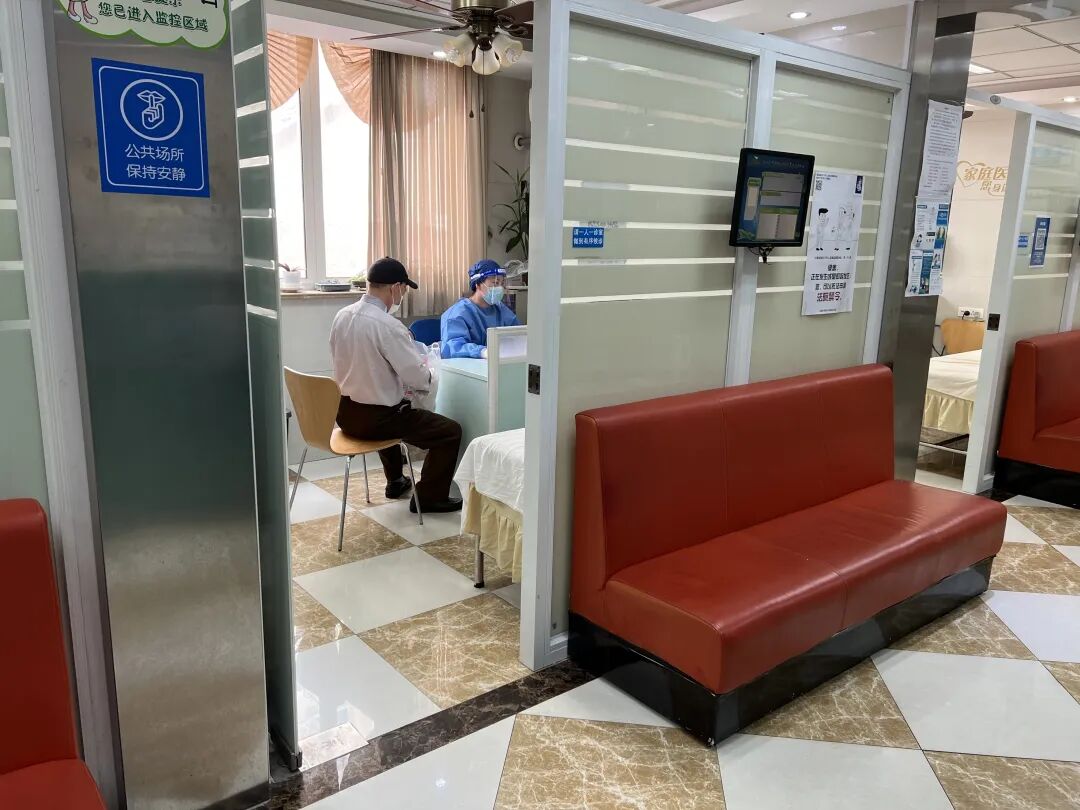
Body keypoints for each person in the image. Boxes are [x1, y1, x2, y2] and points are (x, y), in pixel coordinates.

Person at [330, 258, 463, 513]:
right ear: (395, 288)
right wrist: (431, 374)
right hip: (378, 422)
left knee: (389, 402)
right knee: (449, 431)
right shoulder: (388, 326)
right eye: (404, 289)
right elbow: (417, 377)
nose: (402, 295)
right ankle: (429, 497)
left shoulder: (342, 316)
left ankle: (395, 481)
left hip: (345, 415)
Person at [440, 259, 520, 359]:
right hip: (466, 367)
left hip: (496, 364)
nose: (500, 288)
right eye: (495, 283)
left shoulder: (500, 309)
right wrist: (482, 352)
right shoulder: (458, 313)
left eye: (501, 283)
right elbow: (453, 347)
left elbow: (518, 334)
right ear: (477, 284)